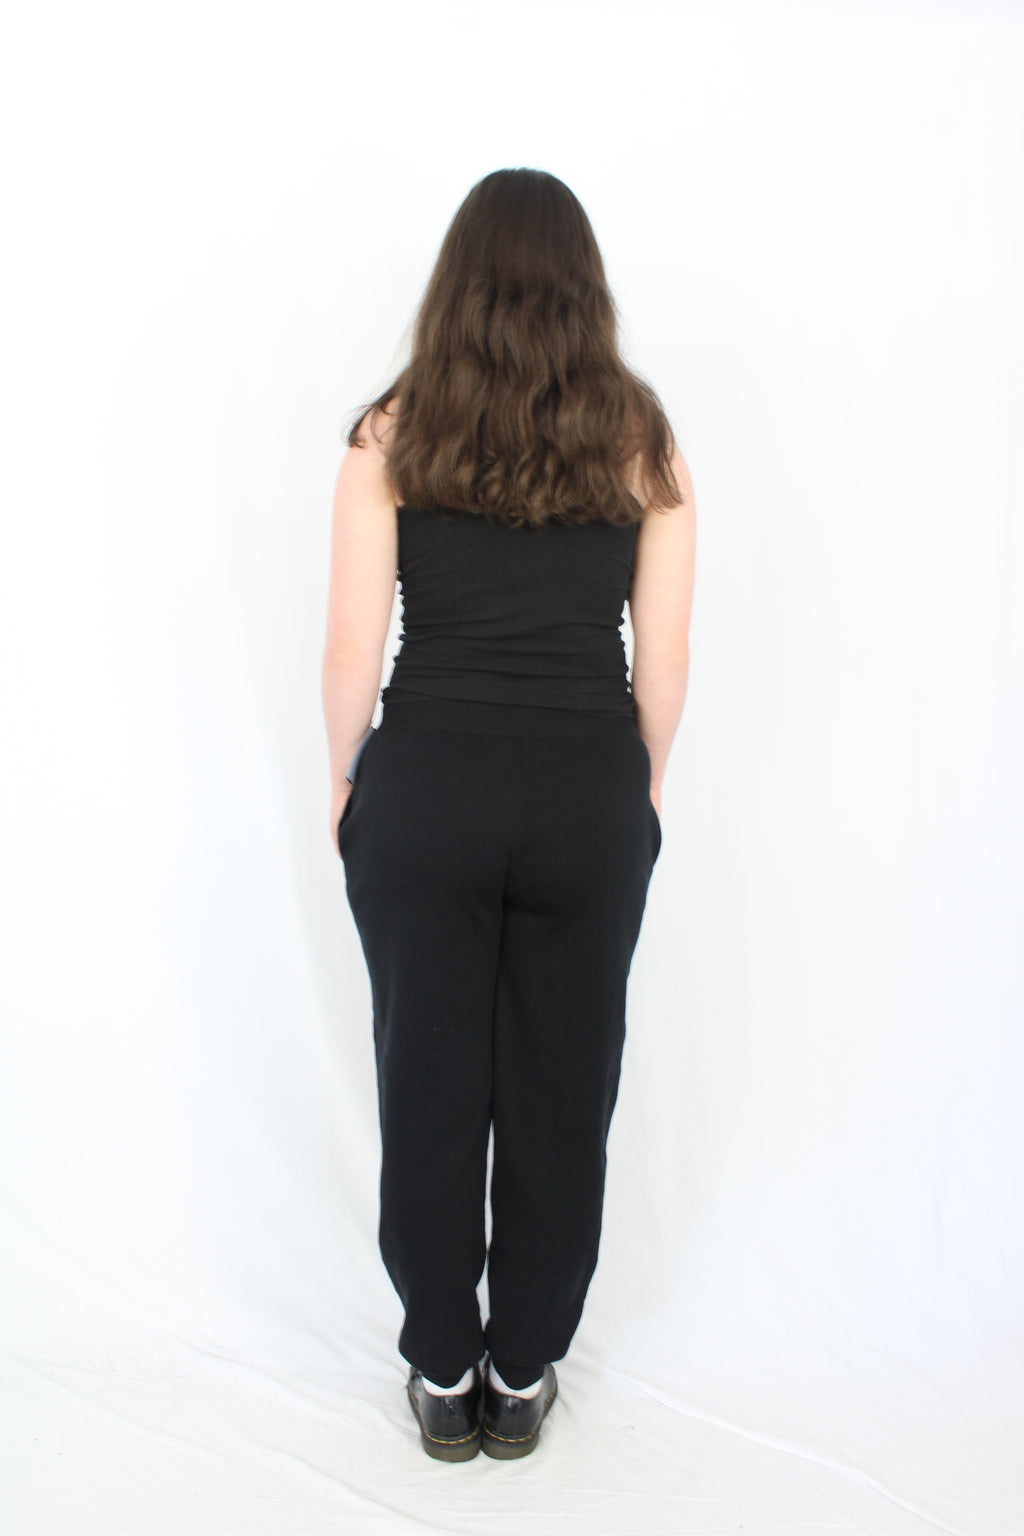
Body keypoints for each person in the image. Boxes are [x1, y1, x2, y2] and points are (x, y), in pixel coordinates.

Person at [321, 168, 695, 1462]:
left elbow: (351, 647)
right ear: (585, 290)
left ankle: (441, 1365)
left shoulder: (391, 433)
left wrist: (345, 783)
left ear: (457, 284)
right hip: (587, 789)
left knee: (426, 1078)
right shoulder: (641, 439)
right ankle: (524, 1364)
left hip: (426, 785)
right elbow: (664, 660)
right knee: (563, 1084)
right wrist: (640, 792)